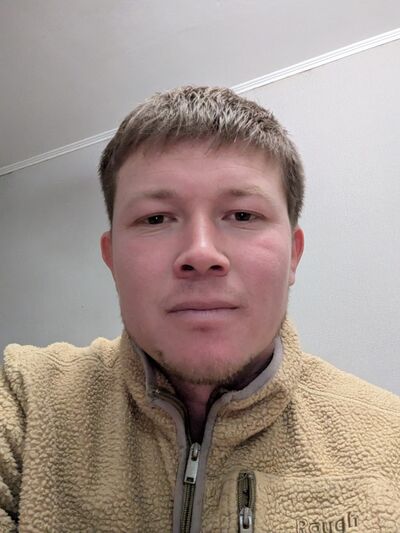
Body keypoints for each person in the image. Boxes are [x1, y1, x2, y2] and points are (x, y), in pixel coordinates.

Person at [0, 86, 399, 533]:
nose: (202, 253)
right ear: (111, 258)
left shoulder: (390, 438)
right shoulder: (27, 399)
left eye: (242, 215)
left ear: (294, 255)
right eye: (156, 218)